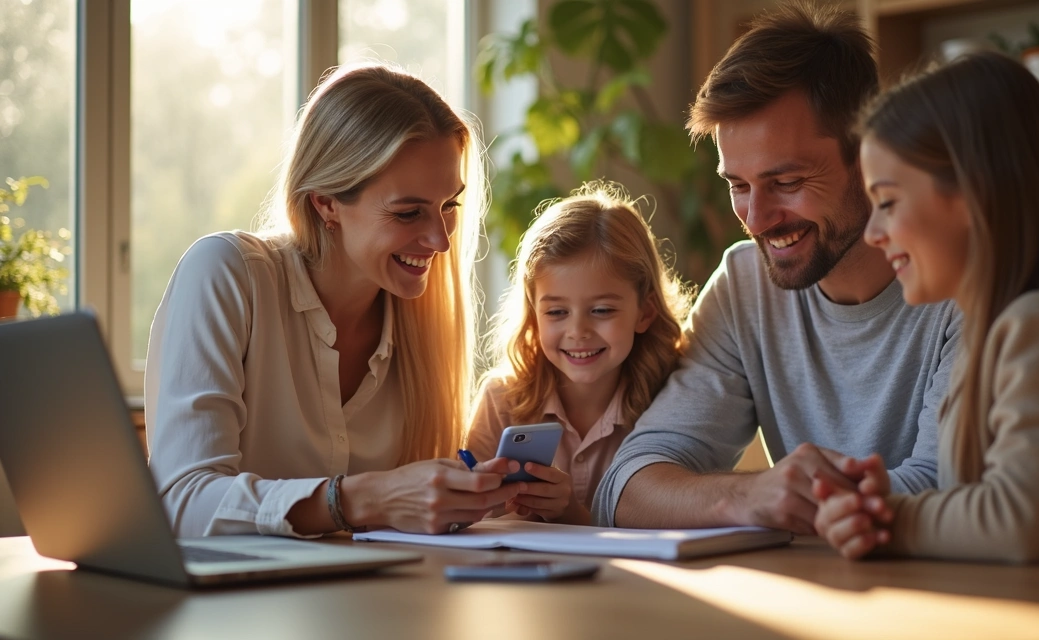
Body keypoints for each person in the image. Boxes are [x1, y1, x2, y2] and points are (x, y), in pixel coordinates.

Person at [592, 3, 962, 532]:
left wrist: (790, 498)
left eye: (786, 183)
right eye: (737, 186)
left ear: (870, 156)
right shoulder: (745, 285)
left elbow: (942, 488)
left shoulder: (963, 282)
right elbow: (627, 485)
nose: (757, 219)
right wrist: (749, 496)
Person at [812, 52, 1039, 562]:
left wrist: (893, 518)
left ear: (975, 191)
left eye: (889, 202)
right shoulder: (988, 334)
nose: (873, 235)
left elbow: (1021, 523)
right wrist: (884, 501)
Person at [145, 62, 523, 538]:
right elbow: (181, 502)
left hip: (371, 603)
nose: (440, 241)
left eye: (449, 206)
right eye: (408, 213)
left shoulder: (424, 332)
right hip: (230, 609)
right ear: (325, 202)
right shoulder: (227, 274)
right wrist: (362, 499)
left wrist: (483, 501)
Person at [466, 181, 692, 525]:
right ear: (533, 315)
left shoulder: (672, 399)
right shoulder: (502, 400)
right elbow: (471, 523)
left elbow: (679, 523)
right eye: (556, 313)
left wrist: (573, 514)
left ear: (644, 312)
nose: (578, 332)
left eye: (601, 310)